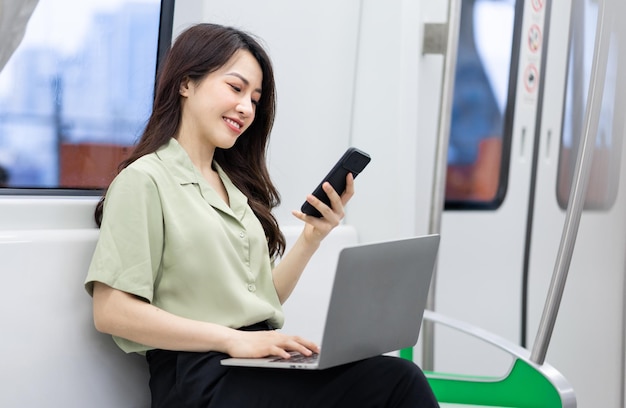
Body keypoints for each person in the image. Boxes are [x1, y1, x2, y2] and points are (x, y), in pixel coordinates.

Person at [85, 23, 439, 408]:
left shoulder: (232, 188)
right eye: (236, 89)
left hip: (251, 361)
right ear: (186, 83)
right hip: (199, 379)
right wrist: (232, 339)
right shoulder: (145, 180)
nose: (246, 108)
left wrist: (312, 238)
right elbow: (111, 311)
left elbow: (260, 300)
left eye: (255, 99)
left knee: (391, 378)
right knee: (396, 382)